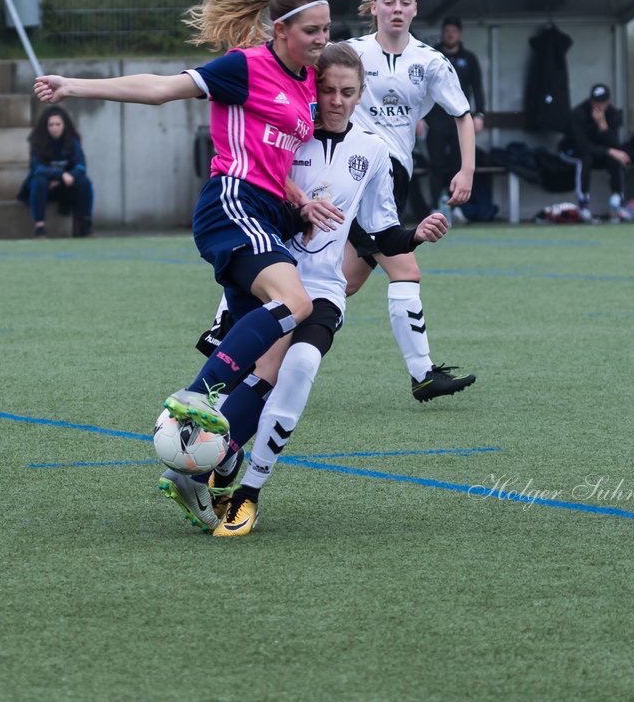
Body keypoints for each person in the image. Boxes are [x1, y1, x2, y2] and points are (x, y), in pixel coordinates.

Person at [35, 0, 339, 483]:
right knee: (296, 304)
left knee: (272, 359)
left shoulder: (309, 84)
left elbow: (278, 155)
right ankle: (195, 398)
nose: (322, 39)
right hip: (232, 203)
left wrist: (300, 198)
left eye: (326, 29)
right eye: (313, 31)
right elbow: (158, 88)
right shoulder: (245, 66)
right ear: (282, 29)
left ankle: (195, 471)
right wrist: (73, 86)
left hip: (269, 215)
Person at [173, 43, 452, 537]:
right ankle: (203, 459)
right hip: (270, 274)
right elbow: (253, 195)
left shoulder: (372, 151)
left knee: (298, 367)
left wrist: (416, 234)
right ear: (313, 89)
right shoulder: (285, 134)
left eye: (348, 92)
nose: (337, 100)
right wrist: (296, 210)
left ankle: (248, 492)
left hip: (324, 287)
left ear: (362, 94)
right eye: (327, 90)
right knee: (260, 376)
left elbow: (381, 231)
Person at [344, 0, 478, 402]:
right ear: (375, 7)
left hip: (393, 178)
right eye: (389, 1)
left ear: (416, 9)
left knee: (341, 283)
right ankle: (422, 375)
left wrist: (467, 170)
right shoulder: (350, 54)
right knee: (404, 269)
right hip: (362, 173)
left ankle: (256, 348)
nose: (397, 8)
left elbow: (461, 114)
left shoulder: (431, 62)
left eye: (405, 2)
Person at [427, 15, 489, 219]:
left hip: (459, 120)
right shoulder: (434, 55)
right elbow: (422, 88)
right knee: (436, 163)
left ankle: (456, 207)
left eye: (454, 30)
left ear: (459, 34)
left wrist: (479, 114)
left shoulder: (469, 58)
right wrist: (418, 117)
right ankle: (435, 205)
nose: (450, 34)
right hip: (435, 119)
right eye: (447, 30)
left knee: (457, 162)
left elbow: (477, 87)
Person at [558, 83, 634, 223]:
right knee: (585, 159)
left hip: (597, 152)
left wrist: (603, 124)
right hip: (571, 151)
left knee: (616, 158)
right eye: (596, 102)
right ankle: (583, 205)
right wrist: (610, 151)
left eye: (603, 102)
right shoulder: (579, 114)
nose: (599, 106)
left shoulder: (612, 114)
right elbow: (583, 147)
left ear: (608, 101)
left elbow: (614, 145)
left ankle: (617, 201)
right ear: (591, 100)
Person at [18, 106, 95, 238]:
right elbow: (36, 168)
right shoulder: (37, 142)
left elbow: (81, 166)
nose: (55, 128)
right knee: (39, 181)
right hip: (45, 186)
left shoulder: (72, 142)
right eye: (51, 125)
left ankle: (85, 225)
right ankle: (40, 228)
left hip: (65, 186)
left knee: (84, 182)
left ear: (64, 125)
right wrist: (59, 175)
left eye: (58, 124)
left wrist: (65, 178)